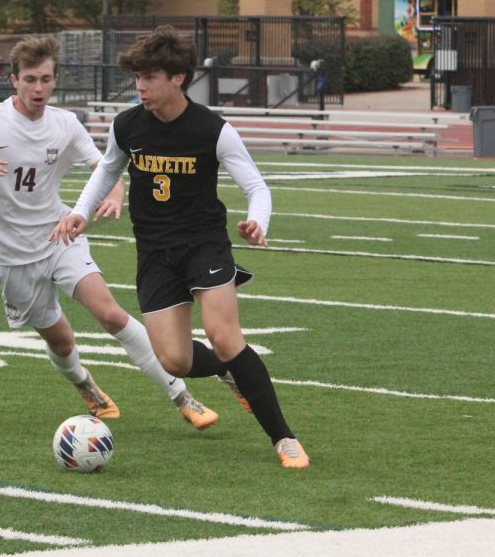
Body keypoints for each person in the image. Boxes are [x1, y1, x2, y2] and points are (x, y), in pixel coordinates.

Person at [0, 34, 217, 430]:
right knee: (60, 341)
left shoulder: (65, 125)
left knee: (110, 313)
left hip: (58, 234)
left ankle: (182, 396)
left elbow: (108, 167)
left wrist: (113, 195)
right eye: (30, 79)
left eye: (45, 79)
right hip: (10, 255)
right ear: (14, 81)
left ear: (55, 80)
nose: (38, 88)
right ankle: (85, 385)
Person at [51, 26, 309, 469]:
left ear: (178, 78)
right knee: (174, 359)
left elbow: (256, 186)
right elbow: (106, 171)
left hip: (204, 246)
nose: (140, 87)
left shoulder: (213, 130)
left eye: (149, 77)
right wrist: (80, 211)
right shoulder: (127, 125)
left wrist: (256, 221)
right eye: (137, 77)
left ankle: (283, 438)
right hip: (154, 252)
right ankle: (230, 374)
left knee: (225, 337)